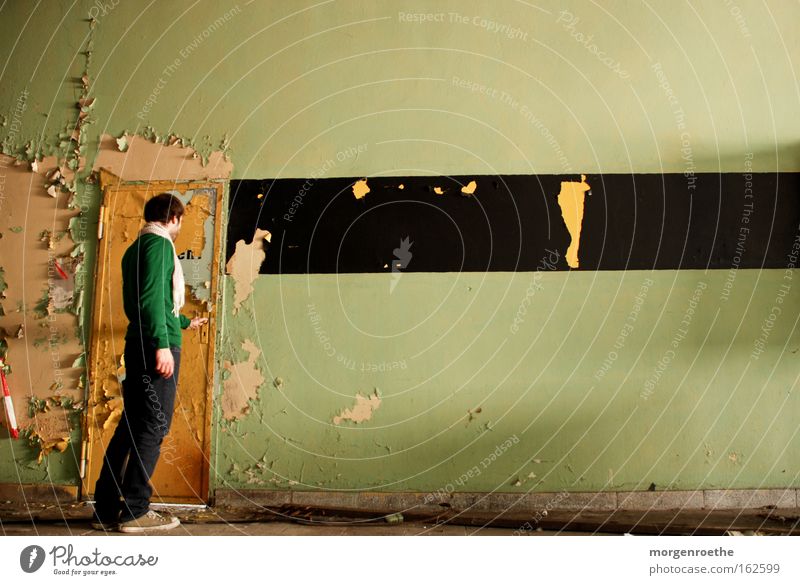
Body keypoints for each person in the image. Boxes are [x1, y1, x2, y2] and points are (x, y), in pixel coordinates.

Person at [91, 192, 208, 533]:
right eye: (181, 221)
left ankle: (107, 510)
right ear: (173, 218)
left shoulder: (136, 249)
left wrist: (184, 323)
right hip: (154, 347)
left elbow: (156, 300)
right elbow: (149, 299)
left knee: (130, 428)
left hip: (140, 344)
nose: (179, 227)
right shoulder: (159, 247)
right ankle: (135, 511)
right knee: (153, 427)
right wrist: (162, 345)